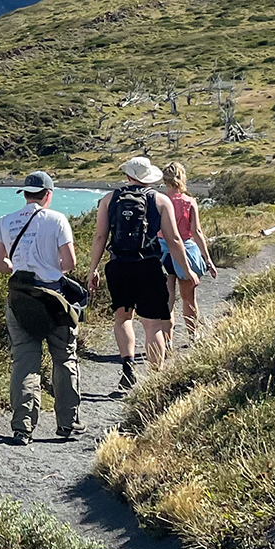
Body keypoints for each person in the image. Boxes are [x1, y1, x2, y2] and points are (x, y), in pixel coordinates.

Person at [0, 170, 82, 444]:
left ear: (25, 194)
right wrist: (50, 267)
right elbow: (69, 263)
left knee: (25, 361)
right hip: (53, 298)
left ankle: (22, 428)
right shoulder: (57, 220)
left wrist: (19, 267)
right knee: (64, 358)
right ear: (48, 194)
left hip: (20, 298)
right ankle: (68, 423)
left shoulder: (4, 222)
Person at [86, 156, 194, 390]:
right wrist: (187, 269)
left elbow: (100, 237)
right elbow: (174, 240)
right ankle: (156, 379)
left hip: (118, 266)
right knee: (152, 325)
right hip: (148, 266)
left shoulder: (109, 199)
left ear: (127, 176)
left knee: (123, 318)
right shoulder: (160, 200)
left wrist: (93, 269)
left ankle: (128, 365)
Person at [161, 162, 216, 349]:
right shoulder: (189, 202)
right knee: (188, 298)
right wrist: (207, 259)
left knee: (167, 298)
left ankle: (167, 341)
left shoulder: (159, 200)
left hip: (163, 252)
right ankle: (193, 336)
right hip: (185, 250)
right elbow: (197, 232)